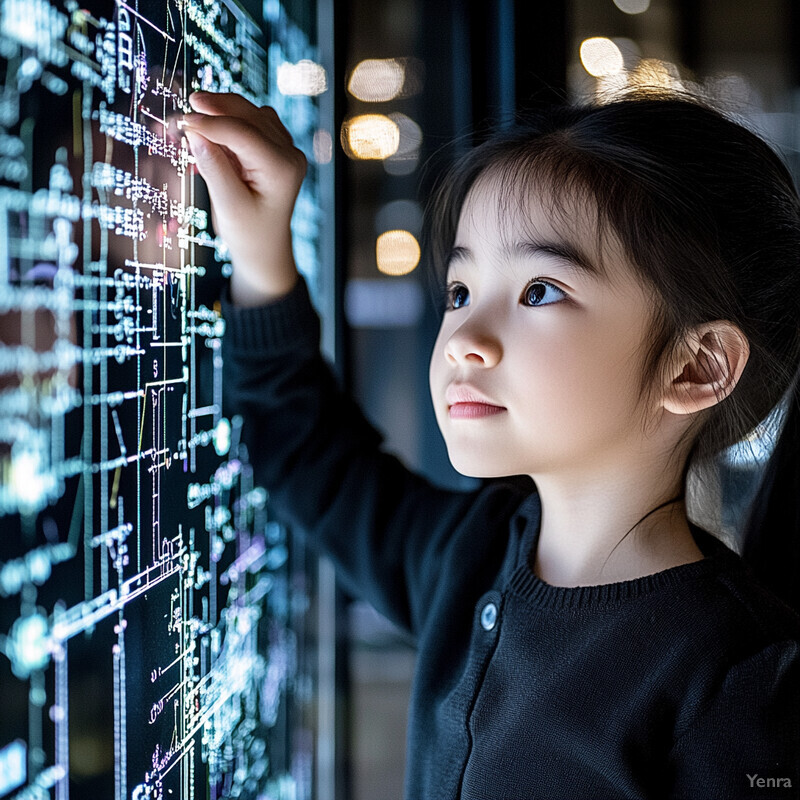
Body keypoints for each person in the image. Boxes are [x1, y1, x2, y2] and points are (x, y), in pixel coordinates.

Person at [182, 88, 800, 799]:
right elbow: (309, 455)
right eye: (460, 291)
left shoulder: (740, 685)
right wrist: (262, 257)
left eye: (540, 291)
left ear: (697, 366)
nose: (465, 342)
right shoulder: (469, 557)